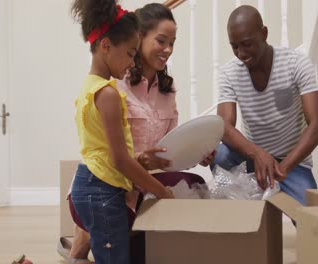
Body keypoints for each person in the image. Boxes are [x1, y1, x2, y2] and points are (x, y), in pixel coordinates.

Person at [62, 3, 214, 263]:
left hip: (116, 180)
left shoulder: (97, 86)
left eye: (172, 43)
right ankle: (83, 238)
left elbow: (168, 147)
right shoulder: (111, 89)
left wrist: (195, 150)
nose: (167, 50)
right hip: (110, 184)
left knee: (191, 186)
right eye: (161, 41)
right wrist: (158, 187)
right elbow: (120, 159)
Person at [69, 1, 174, 263]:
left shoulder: (90, 85)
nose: (131, 62)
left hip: (92, 184)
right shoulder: (108, 94)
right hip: (101, 190)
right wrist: (161, 191)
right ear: (106, 46)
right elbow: (120, 159)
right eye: (129, 53)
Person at [211, 5, 318, 206]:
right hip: (255, 161)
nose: (241, 53)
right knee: (220, 155)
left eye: (247, 44)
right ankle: (241, 207)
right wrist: (257, 154)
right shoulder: (229, 72)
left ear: (264, 34)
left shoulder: (296, 63)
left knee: (311, 224)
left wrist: (282, 169)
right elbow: (224, 127)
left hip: (293, 164)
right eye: (234, 46)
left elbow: (317, 126)